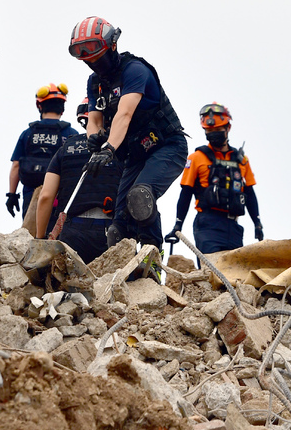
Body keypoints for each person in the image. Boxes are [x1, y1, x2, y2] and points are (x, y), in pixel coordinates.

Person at [68, 16, 188, 257]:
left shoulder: (134, 70)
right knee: (117, 227)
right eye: (83, 55)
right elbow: (95, 119)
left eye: (93, 51)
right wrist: (94, 140)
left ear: (111, 45)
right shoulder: (95, 83)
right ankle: (126, 271)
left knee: (140, 197)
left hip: (167, 146)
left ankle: (153, 256)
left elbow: (124, 113)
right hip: (135, 156)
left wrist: (109, 148)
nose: (90, 59)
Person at [165, 103, 263, 253]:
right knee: (212, 270)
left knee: (234, 274)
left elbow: (249, 193)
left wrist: (257, 223)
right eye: (209, 131)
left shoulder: (242, 161)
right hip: (207, 225)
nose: (213, 134)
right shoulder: (197, 158)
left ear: (228, 128)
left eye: (217, 130)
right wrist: (178, 225)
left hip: (234, 227)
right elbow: (186, 193)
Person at [36, 98, 122, 263]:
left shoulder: (66, 148)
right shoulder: (121, 149)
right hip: (112, 232)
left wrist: (40, 239)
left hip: (72, 234)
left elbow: (46, 196)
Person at [6, 83, 78, 219]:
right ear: (62, 108)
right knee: (57, 235)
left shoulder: (27, 134)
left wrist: (12, 195)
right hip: (60, 195)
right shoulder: (71, 134)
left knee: (31, 234)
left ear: (39, 106)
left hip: (31, 194)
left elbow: (16, 166)